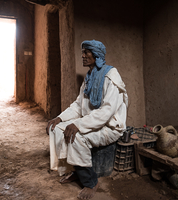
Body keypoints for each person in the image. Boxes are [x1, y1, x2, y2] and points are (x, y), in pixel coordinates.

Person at [46, 40, 128, 200]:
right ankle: (76, 170)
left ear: (96, 55)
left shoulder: (111, 76)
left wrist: (78, 124)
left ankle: (91, 182)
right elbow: (78, 105)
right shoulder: (89, 77)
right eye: (82, 52)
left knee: (76, 137)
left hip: (109, 127)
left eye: (86, 52)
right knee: (56, 129)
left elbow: (106, 112)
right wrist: (60, 118)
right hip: (92, 123)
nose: (82, 56)